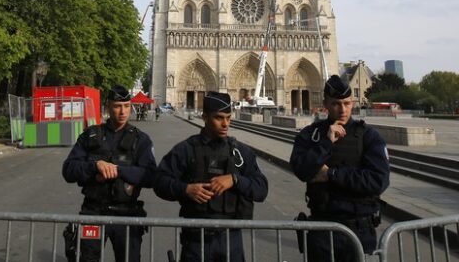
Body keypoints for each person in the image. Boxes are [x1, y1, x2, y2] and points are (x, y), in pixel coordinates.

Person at [154, 91, 269, 262]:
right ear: (205, 117)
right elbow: (159, 181)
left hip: (231, 239)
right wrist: (185, 189)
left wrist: (235, 180)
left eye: (228, 118)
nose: (225, 124)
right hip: (196, 240)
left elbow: (261, 189)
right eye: (219, 118)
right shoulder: (185, 150)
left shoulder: (240, 153)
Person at [289, 75, 390, 261]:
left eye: (347, 103)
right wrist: (326, 143)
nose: (343, 110)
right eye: (336, 104)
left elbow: (379, 180)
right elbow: (300, 169)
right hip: (322, 228)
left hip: (360, 229)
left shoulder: (369, 136)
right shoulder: (311, 135)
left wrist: (331, 174)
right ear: (325, 103)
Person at [62, 84, 157, 262]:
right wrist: (94, 166)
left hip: (126, 214)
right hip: (94, 212)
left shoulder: (141, 140)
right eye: (117, 106)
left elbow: (151, 176)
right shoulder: (90, 136)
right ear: (107, 107)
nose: (123, 111)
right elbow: (68, 170)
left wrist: (119, 171)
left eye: (127, 106)